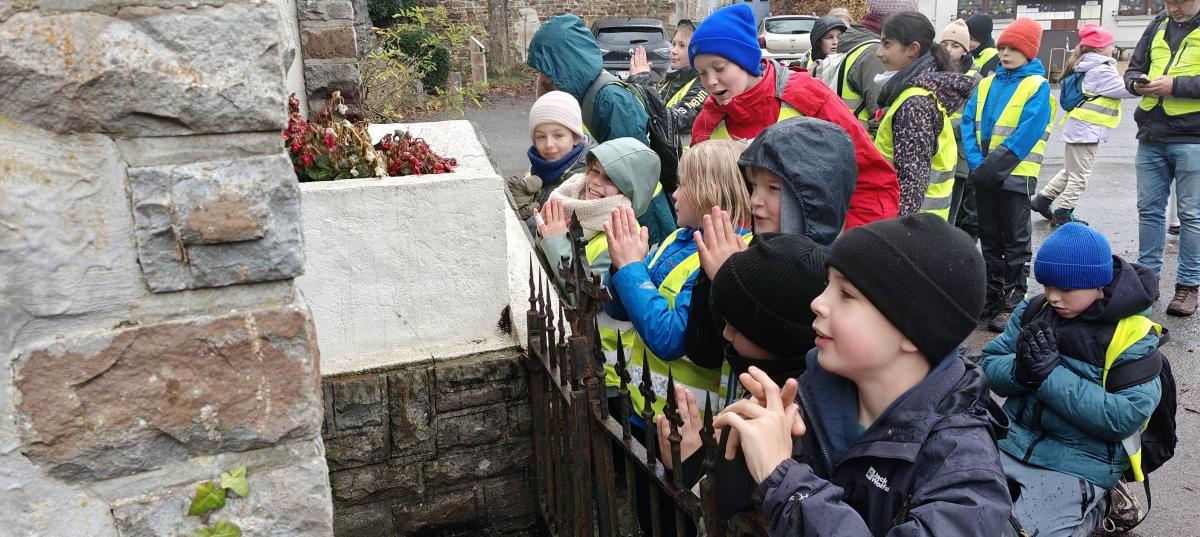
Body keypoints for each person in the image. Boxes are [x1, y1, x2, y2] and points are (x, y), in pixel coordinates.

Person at [712, 214, 1014, 536]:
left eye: (846, 294)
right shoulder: (806, 393)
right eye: (827, 285)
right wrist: (744, 452)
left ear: (911, 330)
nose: (817, 303)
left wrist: (785, 479)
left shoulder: (964, 471)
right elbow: (735, 512)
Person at [980, 223, 1163, 537]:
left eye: (1065, 289)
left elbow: (1125, 417)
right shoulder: (1034, 308)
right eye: (1047, 285)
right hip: (1012, 440)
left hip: (1081, 460)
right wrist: (1021, 372)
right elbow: (991, 362)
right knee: (962, 513)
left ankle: (1102, 507)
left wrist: (1050, 376)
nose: (1053, 297)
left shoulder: (1132, 334)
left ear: (1098, 284)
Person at [688, 3, 899, 229]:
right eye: (702, 73)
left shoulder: (808, 97)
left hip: (811, 248)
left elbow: (871, 180)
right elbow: (698, 196)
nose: (711, 81)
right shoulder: (708, 122)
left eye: (720, 68)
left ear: (746, 60)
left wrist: (850, 245)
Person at [684, 117, 858, 390]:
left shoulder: (830, 277)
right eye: (754, 186)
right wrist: (716, 279)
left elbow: (789, 369)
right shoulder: (746, 251)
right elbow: (704, 350)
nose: (754, 200)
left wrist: (728, 282)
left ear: (813, 197)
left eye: (773, 188)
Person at [603, 139, 754, 424]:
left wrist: (631, 268)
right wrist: (619, 266)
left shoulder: (731, 253)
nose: (674, 194)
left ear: (710, 192)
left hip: (687, 423)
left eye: (684, 185)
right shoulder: (678, 237)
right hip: (643, 404)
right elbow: (618, 309)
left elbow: (672, 339)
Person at [961, 17, 1053, 332]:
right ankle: (992, 296)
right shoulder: (986, 83)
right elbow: (968, 123)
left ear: (1029, 52)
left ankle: (1013, 301)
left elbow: (1028, 132)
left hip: (1014, 176)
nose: (1005, 53)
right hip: (985, 173)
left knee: (1015, 240)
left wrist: (991, 168)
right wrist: (978, 164)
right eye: (1002, 48)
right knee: (989, 238)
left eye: (1013, 48)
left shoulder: (1037, 86)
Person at [1123, 0, 1200, 316]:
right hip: (1152, 134)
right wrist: (1136, 84)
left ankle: (1188, 286)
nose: (1173, 7)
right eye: (1168, 1)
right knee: (1149, 211)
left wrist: (1175, 86)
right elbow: (1132, 69)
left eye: (1180, 1)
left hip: (1193, 136)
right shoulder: (1157, 24)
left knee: (1191, 215)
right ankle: (1147, 280)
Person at [1032, 24, 1137, 228]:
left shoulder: (1085, 65)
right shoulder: (1101, 69)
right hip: (1087, 129)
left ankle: (1044, 199)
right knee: (1080, 175)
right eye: (1110, 44)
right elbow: (1127, 89)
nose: (1113, 48)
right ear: (1100, 48)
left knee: (1071, 170)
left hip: (1079, 127)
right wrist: (1145, 84)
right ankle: (1064, 212)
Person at [873, 12, 975, 219]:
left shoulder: (914, 104)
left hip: (913, 226)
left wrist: (900, 232)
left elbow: (911, 184)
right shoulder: (917, 94)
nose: (878, 52)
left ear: (913, 49)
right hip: (925, 223)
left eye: (887, 44)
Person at [526, 14, 649, 146]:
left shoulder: (612, 99)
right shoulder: (573, 93)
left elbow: (629, 156)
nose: (542, 77)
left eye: (546, 68)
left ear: (563, 63)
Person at [835, 0, 918, 133]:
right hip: (864, 141)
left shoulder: (860, 41)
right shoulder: (876, 54)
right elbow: (879, 120)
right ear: (897, 16)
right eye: (912, 14)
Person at [508, 91, 589, 223]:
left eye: (558, 135)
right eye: (541, 137)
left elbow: (568, 231)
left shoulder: (586, 180)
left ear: (575, 137)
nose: (549, 144)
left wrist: (528, 220)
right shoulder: (536, 168)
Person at [628, 20, 709, 145]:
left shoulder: (703, 86)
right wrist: (635, 82)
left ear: (698, 53)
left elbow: (672, 121)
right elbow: (643, 112)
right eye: (674, 44)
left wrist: (643, 81)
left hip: (683, 156)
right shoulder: (672, 78)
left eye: (682, 45)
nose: (674, 50)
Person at [940, 18, 985, 230]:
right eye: (944, 44)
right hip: (933, 153)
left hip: (958, 158)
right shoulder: (932, 72)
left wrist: (935, 122)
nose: (949, 49)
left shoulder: (975, 80)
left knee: (950, 215)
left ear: (966, 50)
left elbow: (971, 121)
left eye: (955, 45)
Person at [808, 16, 849, 88]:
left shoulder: (850, 62)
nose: (835, 42)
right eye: (829, 37)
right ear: (818, 41)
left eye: (840, 37)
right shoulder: (807, 62)